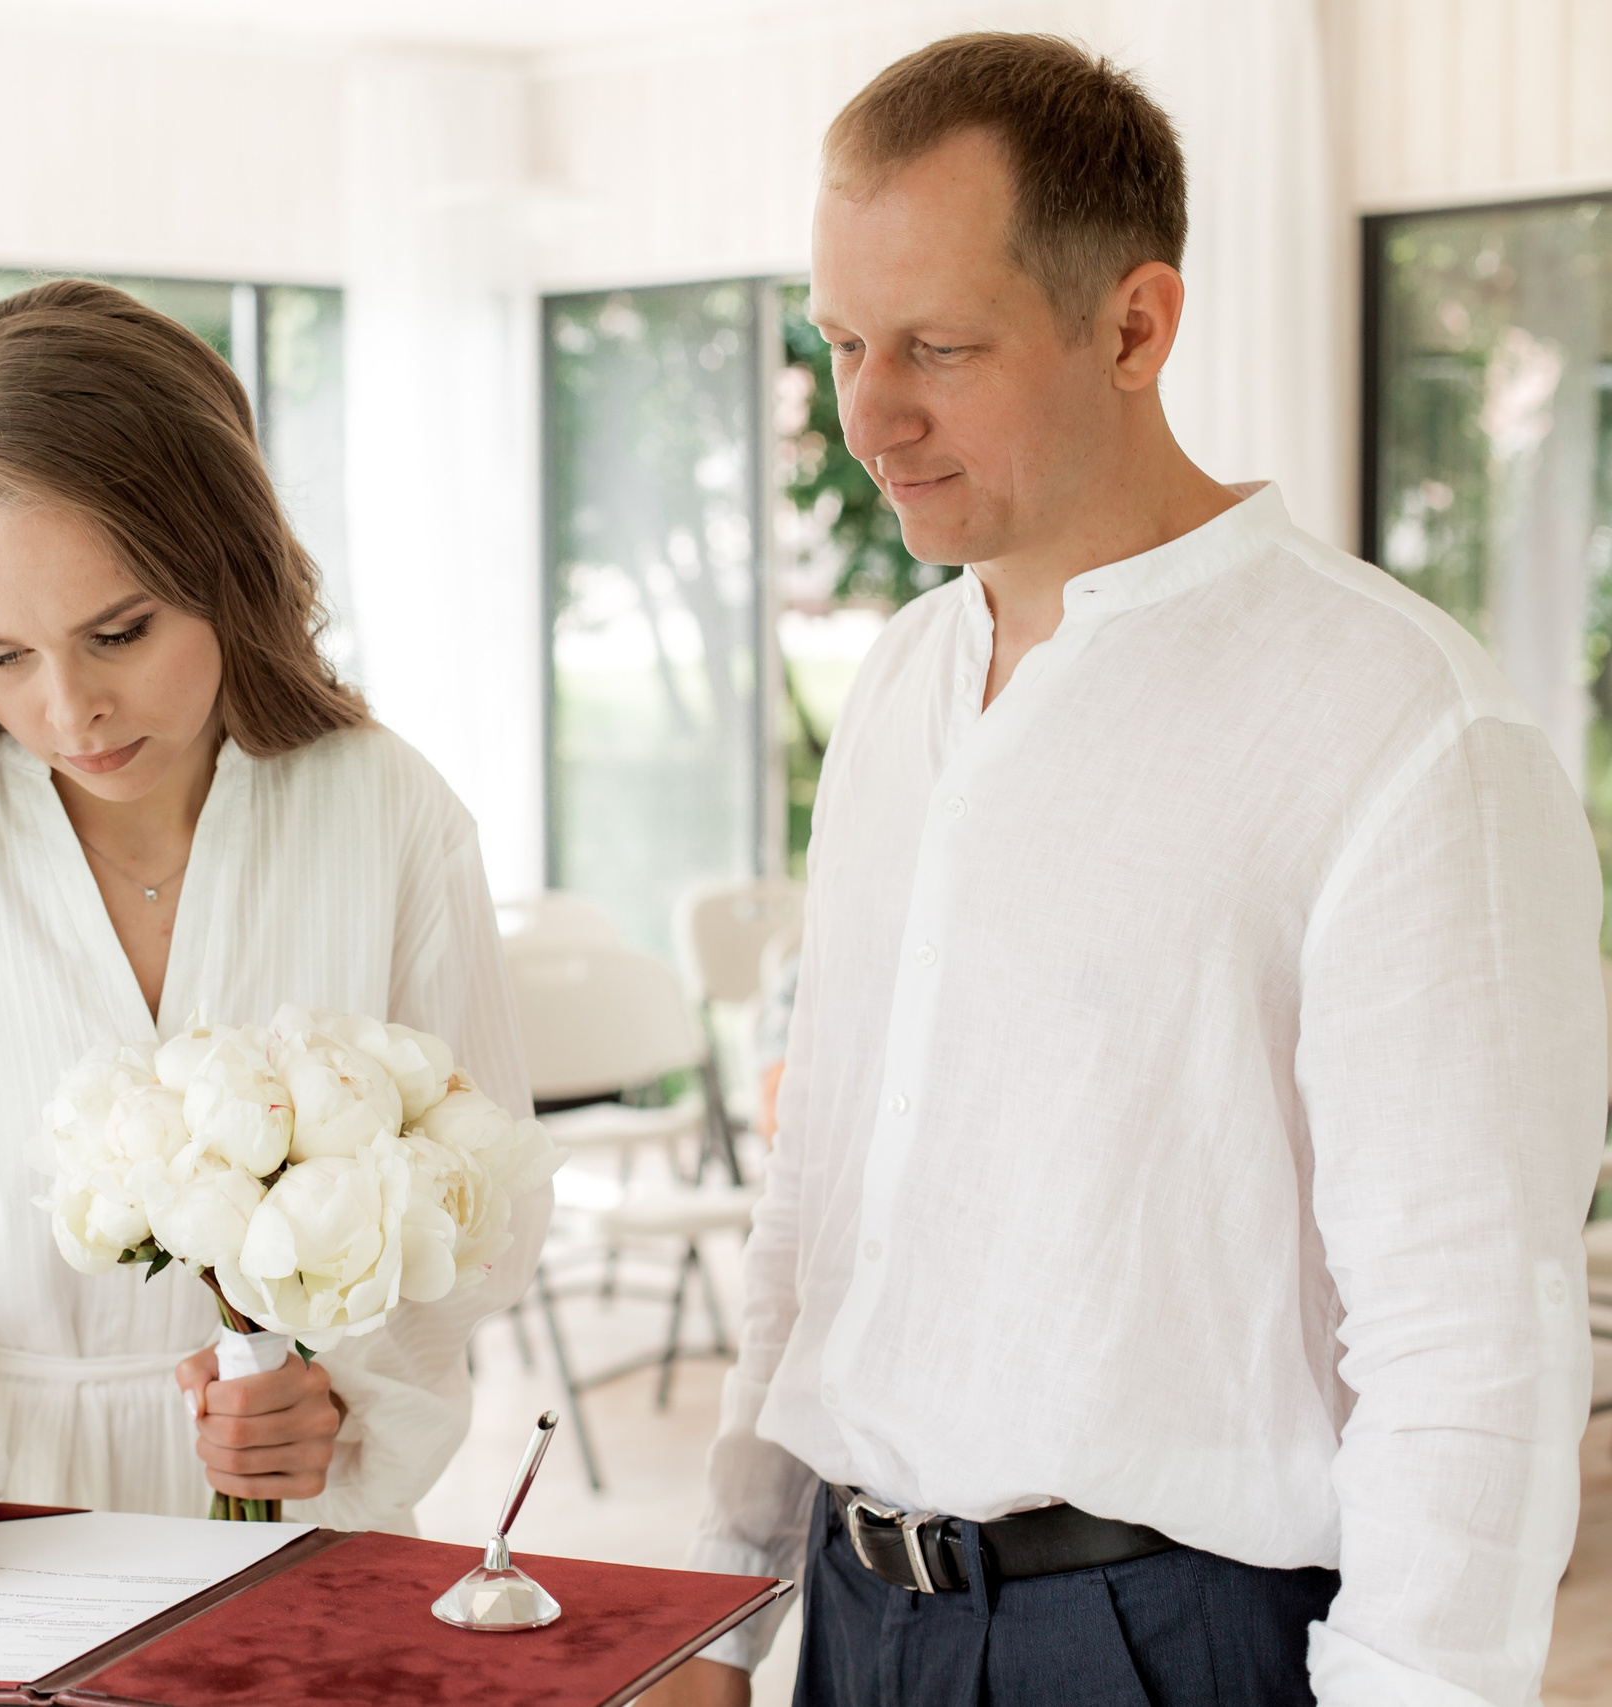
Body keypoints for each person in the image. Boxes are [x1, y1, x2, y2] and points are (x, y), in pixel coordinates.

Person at [648, 33, 1605, 1707]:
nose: (870, 414)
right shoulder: (896, 688)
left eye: (939, 345)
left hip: (1160, 1643)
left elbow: (1472, 1339)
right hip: (857, 1618)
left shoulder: (1405, 724)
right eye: (845, 341)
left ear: (1137, 326)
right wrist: (713, 1599)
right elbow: (822, 1203)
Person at [0, 278, 548, 1581]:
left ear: (227, 560)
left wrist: (345, 1397)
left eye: (120, 630)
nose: (70, 708)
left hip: (306, 1537)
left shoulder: (386, 814)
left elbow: (478, 1196)